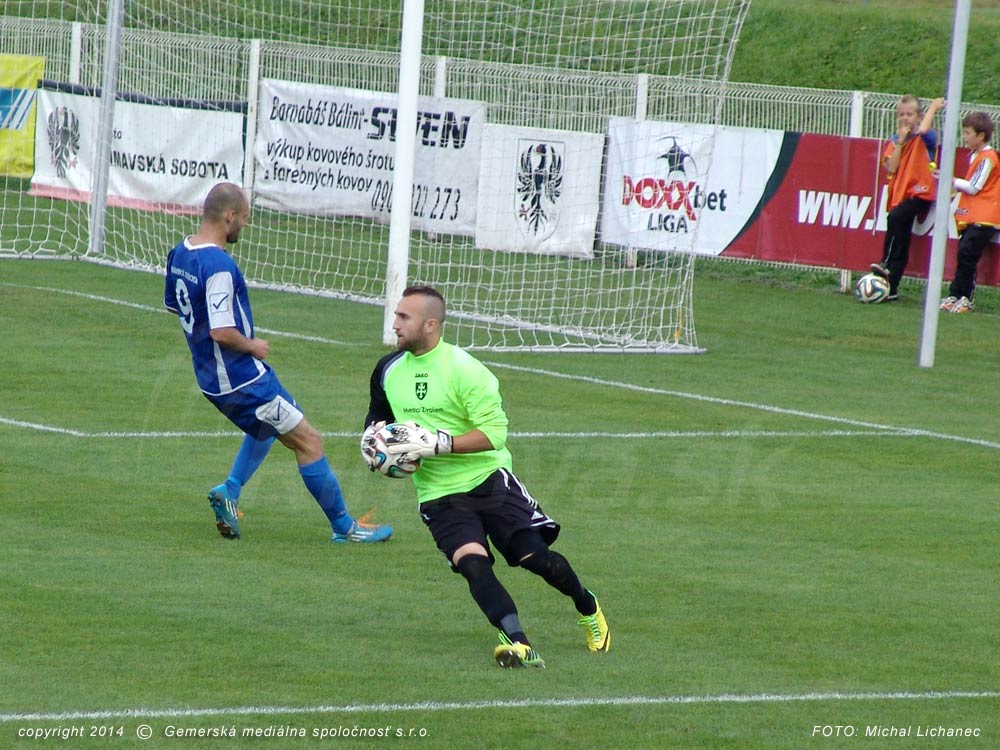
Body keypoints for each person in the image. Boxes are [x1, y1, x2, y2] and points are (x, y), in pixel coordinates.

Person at [361, 285, 609, 668]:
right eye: (396, 315)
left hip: (489, 480)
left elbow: (494, 435)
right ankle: (520, 644)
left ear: (431, 325)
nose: (394, 324)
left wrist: (439, 444)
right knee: (473, 564)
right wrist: (377, 447)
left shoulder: (465, 370)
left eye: (403, 317)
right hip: (438, 493)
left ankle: (587, 605)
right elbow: (378, 419)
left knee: (534, 558)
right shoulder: (387, 370)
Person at [164, 182, 392, 544]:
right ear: (229, 216)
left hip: (210, 377)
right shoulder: (218, 264)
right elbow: (222, 331)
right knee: (309, 441)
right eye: (244, 218)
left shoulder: (180, 253)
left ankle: (230, 490)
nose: (245, 225)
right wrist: (251, 345)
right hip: (242, 380)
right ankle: (346, 528)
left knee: (266, 429)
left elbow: (177, 308)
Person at [870, 95, 945, 301]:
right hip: (901, 193)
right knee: (901, 237)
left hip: (920, 192)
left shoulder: (927, 136)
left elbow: (923, 130)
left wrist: (933, 108)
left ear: (919, 116)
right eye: (901, 115)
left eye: (909, 114)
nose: (905, 118)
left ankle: (885, 262)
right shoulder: (896, 140)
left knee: (895, 217)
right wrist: (900, 142)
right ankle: (891, 288)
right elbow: (892, 167)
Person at [939, 112, 1000, 314]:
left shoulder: (988, 157)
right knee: (964, 254)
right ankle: (955, 295)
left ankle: (966, 298)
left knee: (967, 254)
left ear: (981, 135)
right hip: (974, 214)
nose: (964, 137)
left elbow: (974, 187)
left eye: (967, 133)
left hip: (987, 215)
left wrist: (951, 180)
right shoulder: (975, 156)